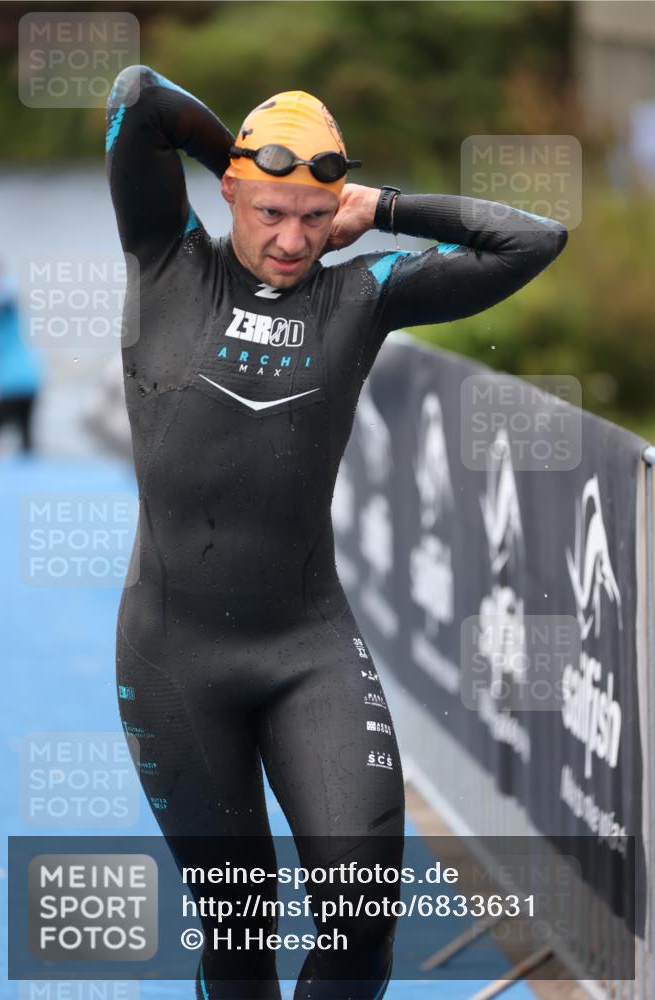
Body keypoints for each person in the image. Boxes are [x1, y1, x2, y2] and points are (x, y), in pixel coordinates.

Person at [106, 65, 568, 1000]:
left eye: (313, 217)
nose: (290, 239)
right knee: (240, 933)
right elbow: (138, 94)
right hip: (173, 656)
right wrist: (239, 158)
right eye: (269, 211)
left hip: (305, 647)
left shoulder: (362, 295)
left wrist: (379, 205)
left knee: (359, 918)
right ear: (228, 191)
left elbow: (532, 240)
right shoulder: (167, 259)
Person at [0, 261, 43, 454]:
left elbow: (6, 301)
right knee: (26, 441)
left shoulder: (5, 302)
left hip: (15, 383)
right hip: (29, 379)